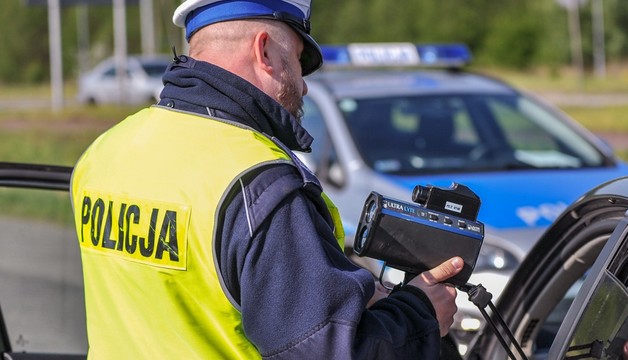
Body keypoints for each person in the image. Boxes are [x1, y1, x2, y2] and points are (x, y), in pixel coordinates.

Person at [70, 0, 462, 358]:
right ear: (264, 51)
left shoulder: (104, 152)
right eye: (296, 58)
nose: (304, 84)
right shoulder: (259, 183)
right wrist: (421, 313)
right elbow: (328, 352)